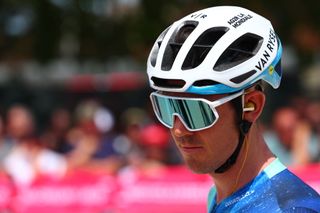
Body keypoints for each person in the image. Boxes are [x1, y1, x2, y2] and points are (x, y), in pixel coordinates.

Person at [146, 6, 320, 212]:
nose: (178, 130)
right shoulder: (220, 194)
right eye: (167, 107)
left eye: (195, 112)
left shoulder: (290, 209)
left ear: (251, 106)